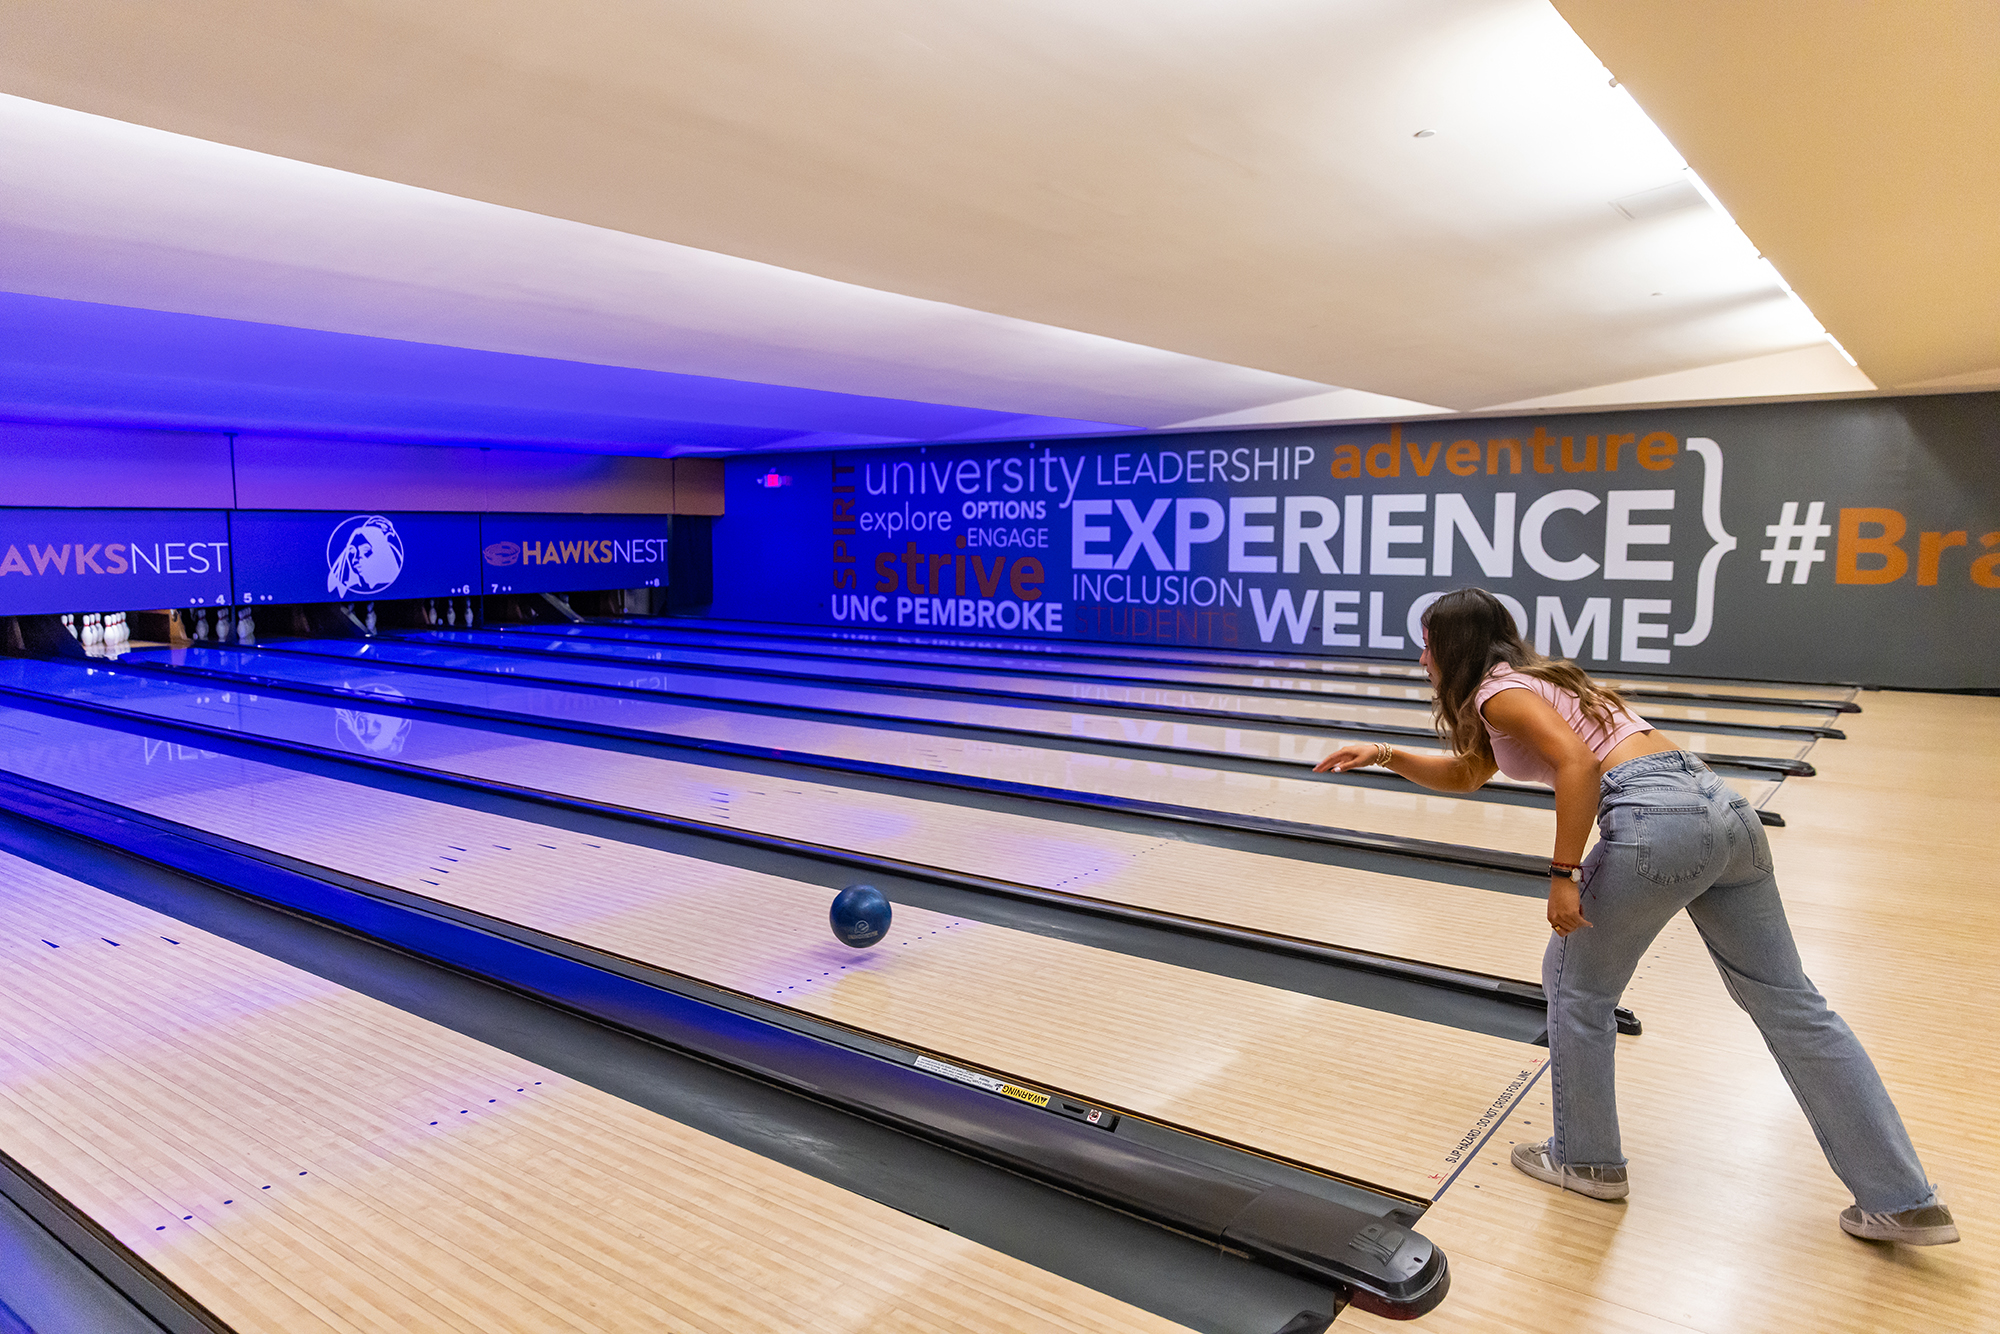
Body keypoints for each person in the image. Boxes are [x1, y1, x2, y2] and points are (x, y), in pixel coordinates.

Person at [1313, 587, 1957, 1246]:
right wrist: (1384, 754)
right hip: (1723, 811)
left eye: (1427, 642)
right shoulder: (1538, 683)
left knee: (1575, 987)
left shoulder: (1496, 694)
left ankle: (1586, 1159)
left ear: (1454, 647)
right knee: (1792, 1003)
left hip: (1655, 819)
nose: (1421, 656)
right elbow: (1470, 773)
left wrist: (1564, 875)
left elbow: (1578, 764)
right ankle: (1902, 1198)